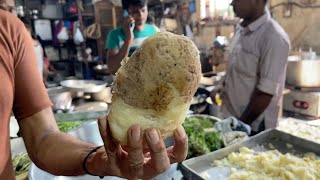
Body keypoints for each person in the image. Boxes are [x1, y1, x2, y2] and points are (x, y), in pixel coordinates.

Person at [0, 8, 188, 180]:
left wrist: (98, 159)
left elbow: (43, 139)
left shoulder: (9, 31)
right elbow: (113, 65)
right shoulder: (117, 35)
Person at [211, 0, 290, 135]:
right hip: (231, 116)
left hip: (252, 126)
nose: (232, 4)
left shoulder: (274, 38)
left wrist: (239, 127)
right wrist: (221, 85)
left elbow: (265, 94)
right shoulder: (240, 30)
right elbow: (235, 68)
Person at [106, 0, 157, 74]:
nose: (141, 15)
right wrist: (129, 39)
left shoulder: (152, 30)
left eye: (143, 10)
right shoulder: (115, 35)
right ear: (126, 13)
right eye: (135, 12)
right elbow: (113, 68)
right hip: (127, 83)